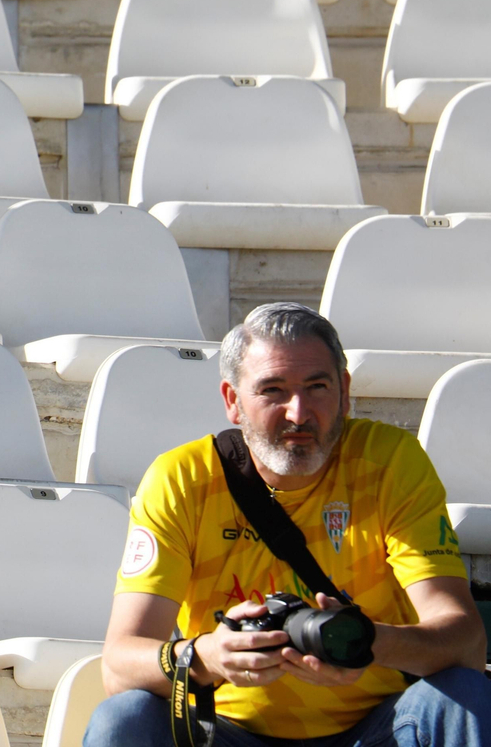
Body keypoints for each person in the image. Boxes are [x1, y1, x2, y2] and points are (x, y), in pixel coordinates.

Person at [85, 302, 489, 746]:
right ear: (232, 401)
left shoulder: (389, 462)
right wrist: (208, 657)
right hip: (225, 731)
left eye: (317, 387)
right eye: (273, 390)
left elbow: (465, 643)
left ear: (345, 392)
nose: (298, 413)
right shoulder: (183, 479)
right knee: (124, 718)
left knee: (465, 694)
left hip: (376, 729)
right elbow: (119, 665)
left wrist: (367, 643)